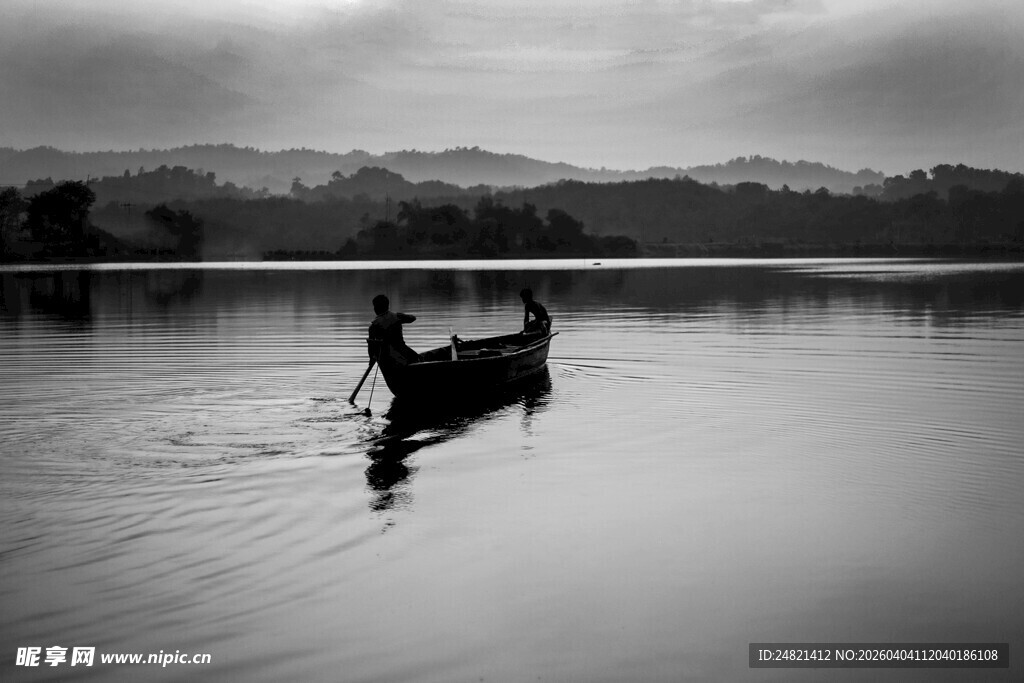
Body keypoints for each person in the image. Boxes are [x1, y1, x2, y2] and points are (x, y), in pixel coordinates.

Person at [368, 294, 418, 366]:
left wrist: (371, 359)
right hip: (402, 351)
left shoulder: (373, 326)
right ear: (387, 306)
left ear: (375, 308)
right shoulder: (397, 317)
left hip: (385, 357)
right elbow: (412, 318)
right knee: (417, 359)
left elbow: (371, 346)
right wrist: (398, 316)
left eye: (374, 306)